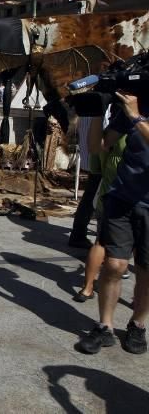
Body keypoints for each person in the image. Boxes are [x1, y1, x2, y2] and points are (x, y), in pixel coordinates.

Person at [78, 91, 149, 356]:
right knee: (114, 264)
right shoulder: (136, 105)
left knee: (145, 269)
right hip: (122, 197)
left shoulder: (135, 111)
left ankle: (138, 324)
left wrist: (136, 116)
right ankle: (104, 325)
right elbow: (97, 146)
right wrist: (97, 111)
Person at [74, 113, 129, 302]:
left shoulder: (105, 136)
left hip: (106, 194)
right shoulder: (137, 133)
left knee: (100, 243)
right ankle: (139, 298)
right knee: (141, 251)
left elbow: (95, 168)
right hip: (133, 197)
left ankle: (87, 287)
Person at [69, 116, 98, 248]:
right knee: (92, 197)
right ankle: (79, 234)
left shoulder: (89, 105)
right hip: (98, 157)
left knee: (90, 196)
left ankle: (78, 233)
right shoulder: (101, 105)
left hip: (93, 156)